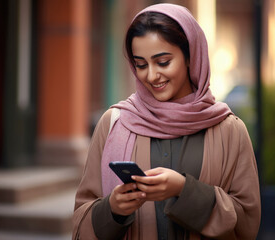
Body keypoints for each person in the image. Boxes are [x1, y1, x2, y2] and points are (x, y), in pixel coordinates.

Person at [72, 3, 261, 240]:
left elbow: (247, 222)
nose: (151, 76)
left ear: (191, 56)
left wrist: (183, 190)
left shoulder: (229, 130)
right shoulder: (114, 123)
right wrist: (114, 209)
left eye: (162, 62)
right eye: (140, 65)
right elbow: (81, 219)